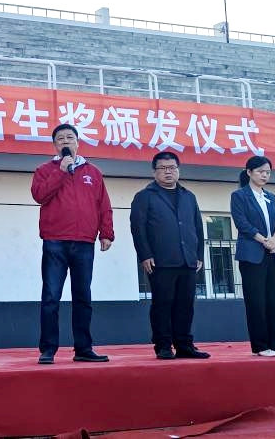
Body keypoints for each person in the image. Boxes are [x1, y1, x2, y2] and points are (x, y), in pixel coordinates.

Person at [31, 124, 114, 364]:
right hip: (55, 241)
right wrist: (60, 171)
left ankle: (84, 349)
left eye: (70, 137)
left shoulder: (93, 172)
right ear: (55, 145)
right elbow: (39, 195)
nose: (65, 141)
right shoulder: (44, 170)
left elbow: (103, 205)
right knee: (51, 297)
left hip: (84, 242)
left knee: (82, 297)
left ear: (78, 142)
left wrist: (106, 233)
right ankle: (48, 349)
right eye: (60, 139)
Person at [129, 151, 210, 360]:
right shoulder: (144, 196)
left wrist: (199, 255)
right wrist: (145, 255)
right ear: (154, 172)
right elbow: (138, 228)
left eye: (172, 167)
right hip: (160, 261)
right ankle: (163, 345)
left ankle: (184, 345)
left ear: (178, 170)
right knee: (162, 304)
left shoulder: (188, 196)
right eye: (163, 168)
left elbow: (198, 228)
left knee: (186, 305)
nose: (168, 172)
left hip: (187, 259)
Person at [229, 155, 275, 357]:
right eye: (261, 171)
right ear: (249, 172)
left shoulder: (272, 197)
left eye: (268, 172)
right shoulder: (239, 196)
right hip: (252, 254)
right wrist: (264, 240)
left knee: (274, 301)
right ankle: (261, 346)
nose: (265, 175)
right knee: (256, 302)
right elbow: (242, 223)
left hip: (274, 253)